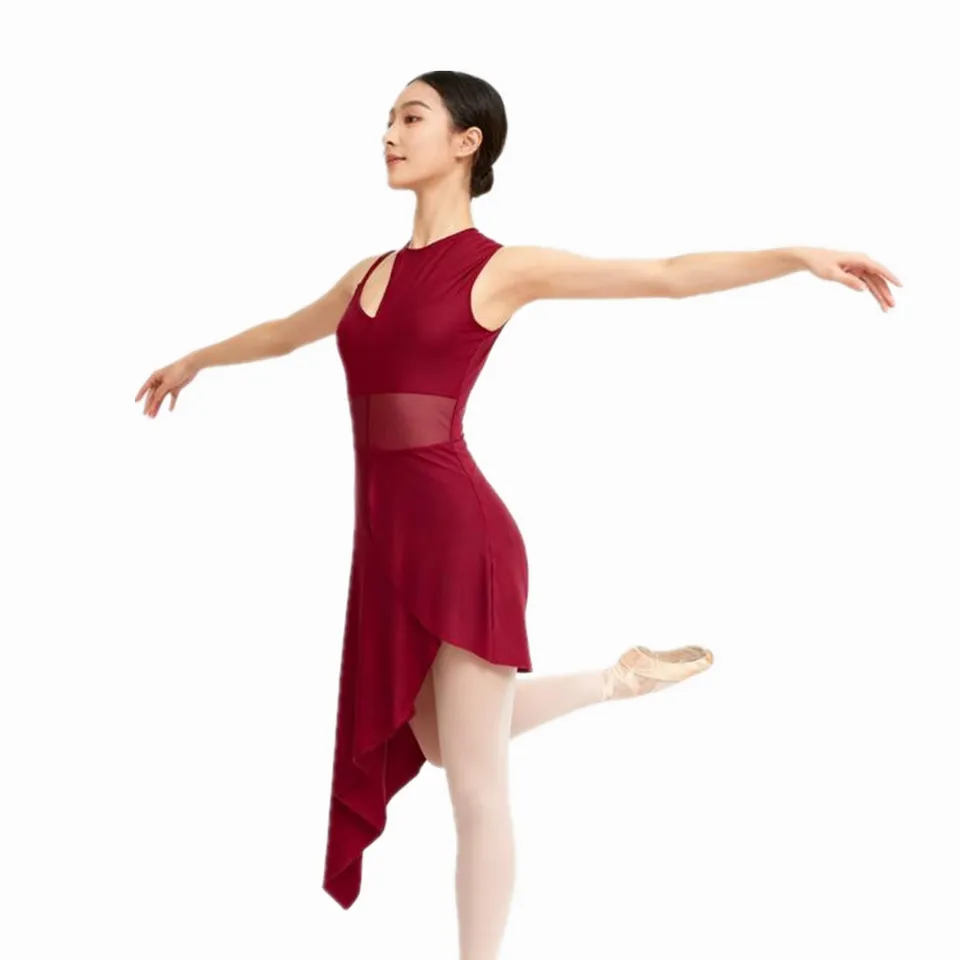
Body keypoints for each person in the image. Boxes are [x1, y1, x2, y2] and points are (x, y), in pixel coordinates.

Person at [135, 70, 900, 959]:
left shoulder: (501, 267)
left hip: (460, 537)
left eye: (411, 117)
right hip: (384, 541)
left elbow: (663, 276)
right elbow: (284, 330)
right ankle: (617, 681)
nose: (389, 134)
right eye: (388, 119)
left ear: (467, 142)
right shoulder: (369, 273)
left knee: (476, 786)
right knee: (435, 738)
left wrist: (794, 256)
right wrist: (196, 359)